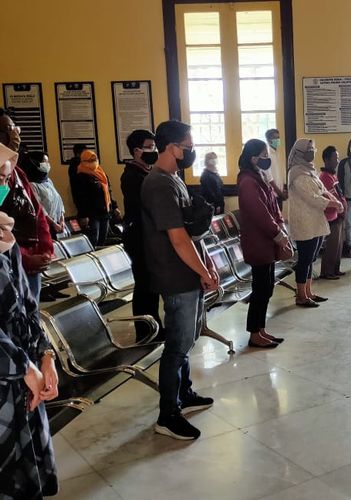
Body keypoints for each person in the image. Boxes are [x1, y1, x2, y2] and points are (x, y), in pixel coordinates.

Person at [141, 120, 219, 440]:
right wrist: (203, 272)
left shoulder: (173, 179)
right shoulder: (159, 184)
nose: (191, 151)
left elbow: (191, 234)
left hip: (188, 273)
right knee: (176, 346)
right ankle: (167, 414)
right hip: (176, 277)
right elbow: (177, 239)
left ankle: (183, 394)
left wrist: (206, 267)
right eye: (187, 146)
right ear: (172, 147)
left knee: (186, 342)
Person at [0, 209, 59, 499]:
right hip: (8, 372)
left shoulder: (5, 237)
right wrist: (25, 367)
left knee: (26, 477)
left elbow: (27, 306)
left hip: (23, 376)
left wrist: (45, 354)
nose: (3, 188)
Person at [237, 138, 287, 348]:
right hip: (259, 242)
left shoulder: (259, 176)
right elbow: (260, 213)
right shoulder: (247, 181)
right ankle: (254, 334)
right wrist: (277, 232)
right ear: (253, 158)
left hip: (267, 241)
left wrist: (281, 224)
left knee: (266, 289)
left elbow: (273, 206)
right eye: (264, 155)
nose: (267, 159)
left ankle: (261, 329)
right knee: (261, 290)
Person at [287, 138, 342, 307]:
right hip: (304, 223)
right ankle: (301, 296)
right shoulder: (296, 172)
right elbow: (312, 198)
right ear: (299, 153)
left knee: (311, 259)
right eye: (308, 149)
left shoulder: (310, 170)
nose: (312, 152)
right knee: (305, 260)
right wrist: (333, 204)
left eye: (313, 148)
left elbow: (323, 190)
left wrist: (334, 199)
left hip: (316, 221)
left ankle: (309, 292)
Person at [121, 129, 163, 342]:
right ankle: (145, 332)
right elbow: (143, 208)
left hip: (147, 237)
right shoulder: (132, 176)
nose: (153, 151)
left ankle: (153, 326)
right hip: (139, 238)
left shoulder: (146, 172)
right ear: (137, 151)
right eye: (149, 147)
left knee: (150, 286)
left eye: (154, 147)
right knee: (144, 286)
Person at [0, 142, 53, 303]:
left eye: (7, 179)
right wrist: (25, 259)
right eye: (1, 178)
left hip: (26, 262)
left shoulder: (18, 173)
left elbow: (36, 213)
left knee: (29, 310)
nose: (5, 186)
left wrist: (45, 250)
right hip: (15, 265)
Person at [19, 151, 65, 240]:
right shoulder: (31, 184)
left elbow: (58, 200)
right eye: (44, 161)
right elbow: (39, 207)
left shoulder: (48, 181)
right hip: (45, 225)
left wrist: (62, 219)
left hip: (58, 224)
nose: (47, 164)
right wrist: (53, 224)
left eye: (48, 161)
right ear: (35, 163)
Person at [76, 150, 117, 247]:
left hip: (105, 211)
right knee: (93, 239)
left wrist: (114, 206)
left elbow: (108, 191)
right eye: (89, 160)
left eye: (94, 159)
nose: (93, 162)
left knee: (103, 239)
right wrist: (83, 215)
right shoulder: (81, 175)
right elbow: (81, 197)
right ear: (83, 161)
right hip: (92, 214)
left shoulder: (101, 173)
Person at [319, 146, 347, 279]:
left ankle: (335, 269)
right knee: (332, 245)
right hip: (331, 216)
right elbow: (331, 197)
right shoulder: (324, 177)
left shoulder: (332, 175)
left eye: (338, 157)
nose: (337, 160)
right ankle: (327, 272)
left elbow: (339, 194)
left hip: (338, 214)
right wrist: (340, 206)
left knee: (338, 245)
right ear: (326, 160)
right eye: (335, 158)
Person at [264, 128, 289, 205]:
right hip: (272, 194)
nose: (277, 140)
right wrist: (279, 192)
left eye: (278, 138)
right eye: (275, 138)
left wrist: (284, 188)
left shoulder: (277, 153)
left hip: (280, 193)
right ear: (268, 140)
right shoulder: (266, 154)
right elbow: (269, 177)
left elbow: (282, 172)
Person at [67, 143, 88, 216]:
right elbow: (79, 189)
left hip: (89, 204)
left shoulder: (83, 165)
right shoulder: (76, 167)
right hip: (85, 205)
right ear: (78, 154)